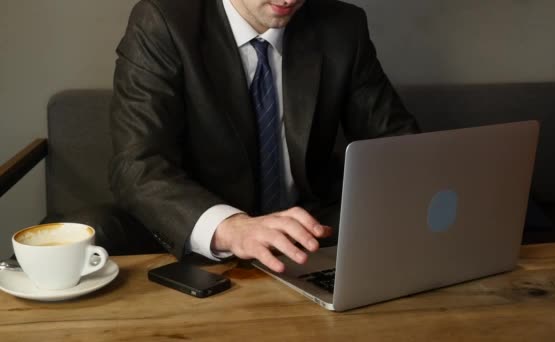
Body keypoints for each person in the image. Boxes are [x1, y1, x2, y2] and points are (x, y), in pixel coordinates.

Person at [109, 0, 419, 272]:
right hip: (205, 235)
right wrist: (230, 228)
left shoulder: (342, 26)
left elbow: (396, 144)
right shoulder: (163, 22)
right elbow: (138, 165)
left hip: (309, 232)